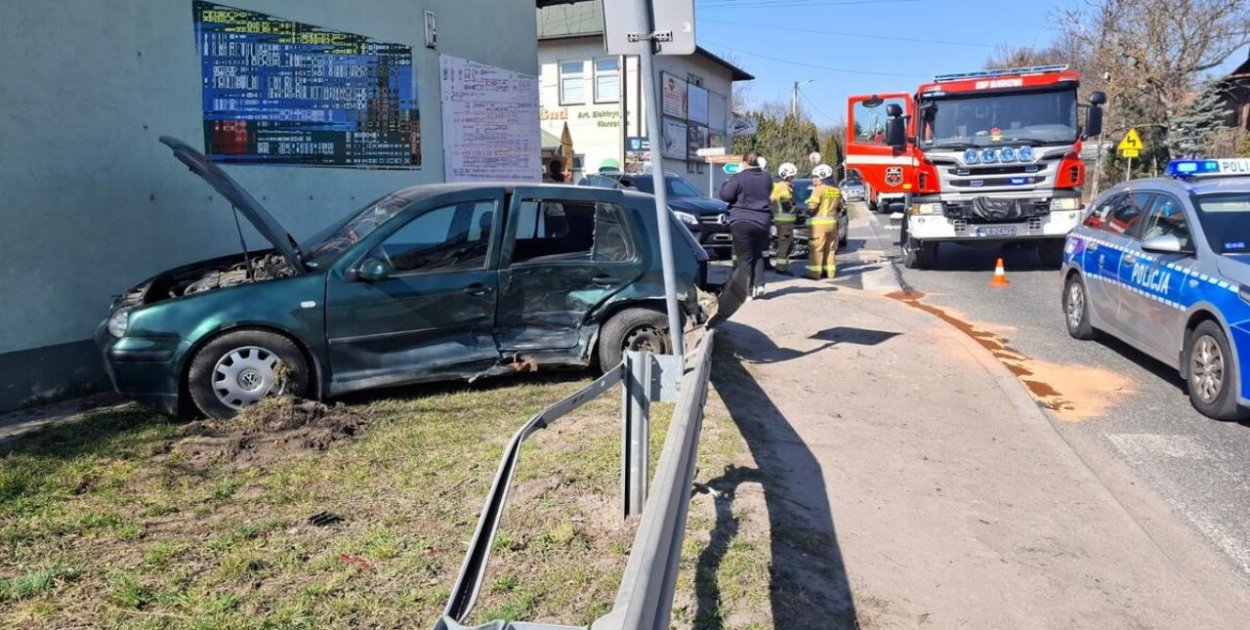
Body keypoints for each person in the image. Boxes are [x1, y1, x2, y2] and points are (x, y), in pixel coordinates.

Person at [719, 151, 773, 299]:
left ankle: (746, 292)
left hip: (742, 221)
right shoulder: (766, 178)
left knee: (744, 258)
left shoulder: (739, 177)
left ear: (744, 162)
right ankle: (759, 284)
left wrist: (727, 183)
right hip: (762, 221)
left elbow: (725, 195)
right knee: (757, 253)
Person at [806, 163, 841, 279]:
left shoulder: (819, 189)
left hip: (819, 225)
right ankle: (830, 273)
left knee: (817, 249)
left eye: (816, 177)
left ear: (822, 177)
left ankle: (814, 273)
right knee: (830, 249)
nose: (813, 180)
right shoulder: (835, 190)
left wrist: (807, 212)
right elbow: (839, 207)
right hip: (832, 224)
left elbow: (812, 206)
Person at [770, 162, 799, 274]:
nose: (793, 178)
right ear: (785, 176)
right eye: (791, 176)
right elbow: (786, 203)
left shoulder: (776, 185)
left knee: (784, 243)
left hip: (781, 220)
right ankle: (781, 268)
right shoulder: (783, 186)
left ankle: (782, 266)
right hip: (784, 221)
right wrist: (796, 211)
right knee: (785, 244)